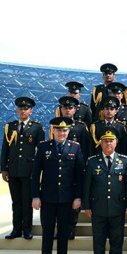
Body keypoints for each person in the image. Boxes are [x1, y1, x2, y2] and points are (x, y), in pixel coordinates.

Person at [31, 117, 84, 254]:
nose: (62, 133)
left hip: (67, 199)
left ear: (69, 132)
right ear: (53, 131)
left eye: (65, 130)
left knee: (63, 235)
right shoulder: (43, 147)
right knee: (47, 234)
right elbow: (35, 174)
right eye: (59, 130)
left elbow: (79, 175)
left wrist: (78, 197)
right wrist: (35, 196)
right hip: (47, 198)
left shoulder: (75, 148)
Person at [83, 129, 127, 254]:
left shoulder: (124, 161)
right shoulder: (92, 161)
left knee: (117, 240)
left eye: (111, 141)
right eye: (105, 141)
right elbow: (87, 186)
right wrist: (87, 206)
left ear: (116, 143)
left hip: (118, 207)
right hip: (98, 208)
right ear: (101, 143)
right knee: (99, 240)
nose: (108, 143)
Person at [1, 97, 45, 240]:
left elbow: (41, 151)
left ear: (31, 111)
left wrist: (38, 171)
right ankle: (16, 229)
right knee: (16, 202)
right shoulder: (10, 127)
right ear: (17, 110)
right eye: (20, 108)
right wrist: (4, 168)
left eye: (26, 109)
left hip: (29, 171)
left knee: (27, 202)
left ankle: (27, 229)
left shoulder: (37, 127)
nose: (23, 111)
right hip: (13, 169)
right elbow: (5, 149)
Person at [54, 96, 91, 240]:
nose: (68, 110)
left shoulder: (81, 127)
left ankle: (71, 229)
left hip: (75, 168)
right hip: (59, 169)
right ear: (61, 109)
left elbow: (86, 149)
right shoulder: (56, 126)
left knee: (74, 202)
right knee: (59, 202)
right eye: (65, 108)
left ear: (75, 110)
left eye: (70, 108)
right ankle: (61, 229)